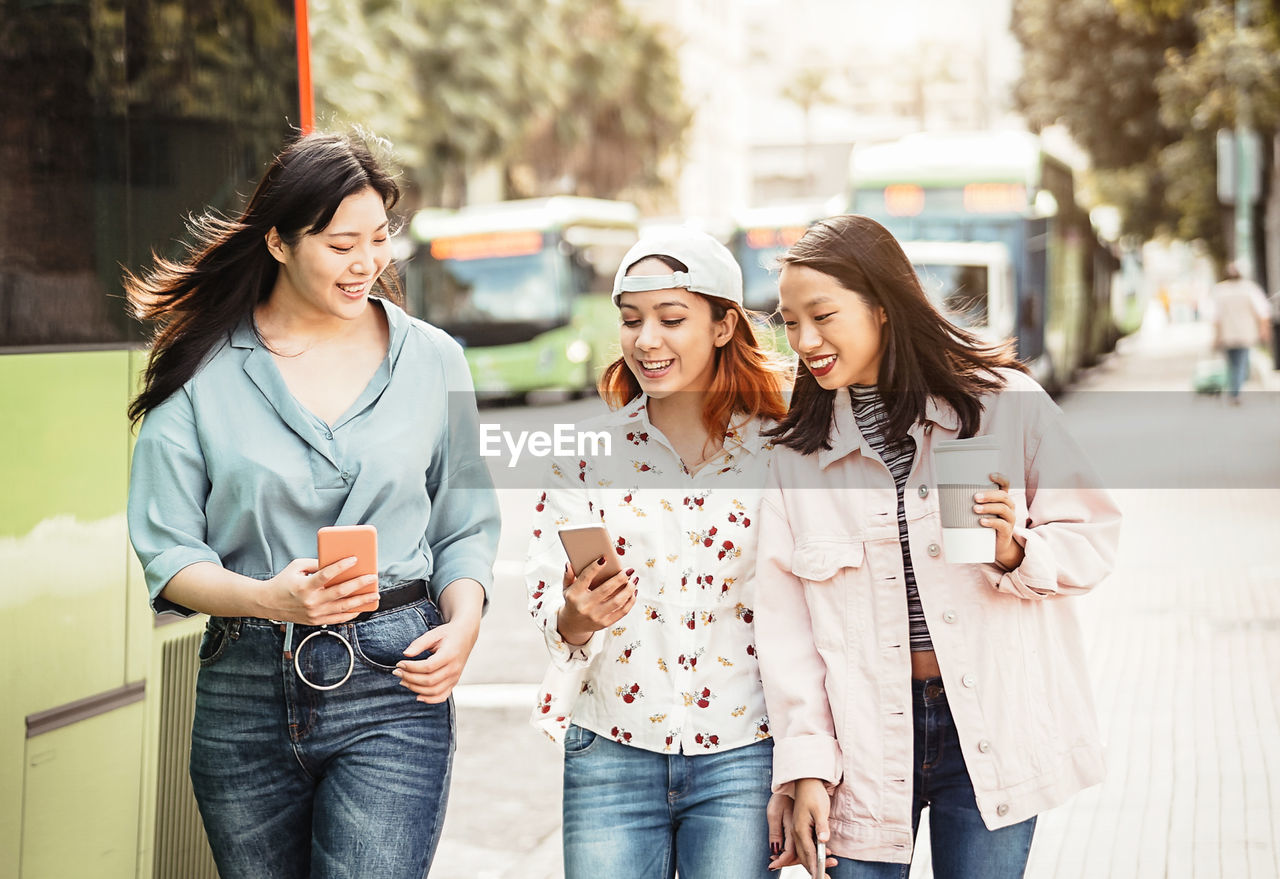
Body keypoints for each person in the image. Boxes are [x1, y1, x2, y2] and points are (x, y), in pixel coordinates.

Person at [126, 131, 500, 879]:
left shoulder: (435, 360)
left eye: (379, 238)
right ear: (278, 241)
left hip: (395, 676)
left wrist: (464, 622)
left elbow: (464, 523)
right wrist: (268, 597)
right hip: (245, 689)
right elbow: (168, 552)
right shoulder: (203, 366)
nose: (368, 262)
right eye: (340, 244)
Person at [753, 215, 1121, 879]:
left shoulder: (1003, 403)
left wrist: (1016, 551)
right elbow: (786, 629)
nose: (805, 340)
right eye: (790, 321)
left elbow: (1093, 536)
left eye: (823, 315)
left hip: (988, 724)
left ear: (884, 307)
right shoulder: (797, 453)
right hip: (861, 739)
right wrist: (805, 764)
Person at [524, 231, 798, 877]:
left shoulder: (786, 452)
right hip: (612, 744)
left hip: (745, 750)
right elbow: (546, 604)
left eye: (671, 319)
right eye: (631, 319)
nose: (647, 339)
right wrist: (575, 616)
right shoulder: (584, 455)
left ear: (725, 323)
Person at [1208, 262, 1271, 403]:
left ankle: (1234, 389)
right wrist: (1264, 330)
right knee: (1240, 363)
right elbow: (1263, 312)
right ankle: (1235, 392)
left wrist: (1216, 337)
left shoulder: (1220, 290)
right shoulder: (1249, 288)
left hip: (1227, 334)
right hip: (1245, 333)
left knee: (1232, 364)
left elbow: (1215, 318)